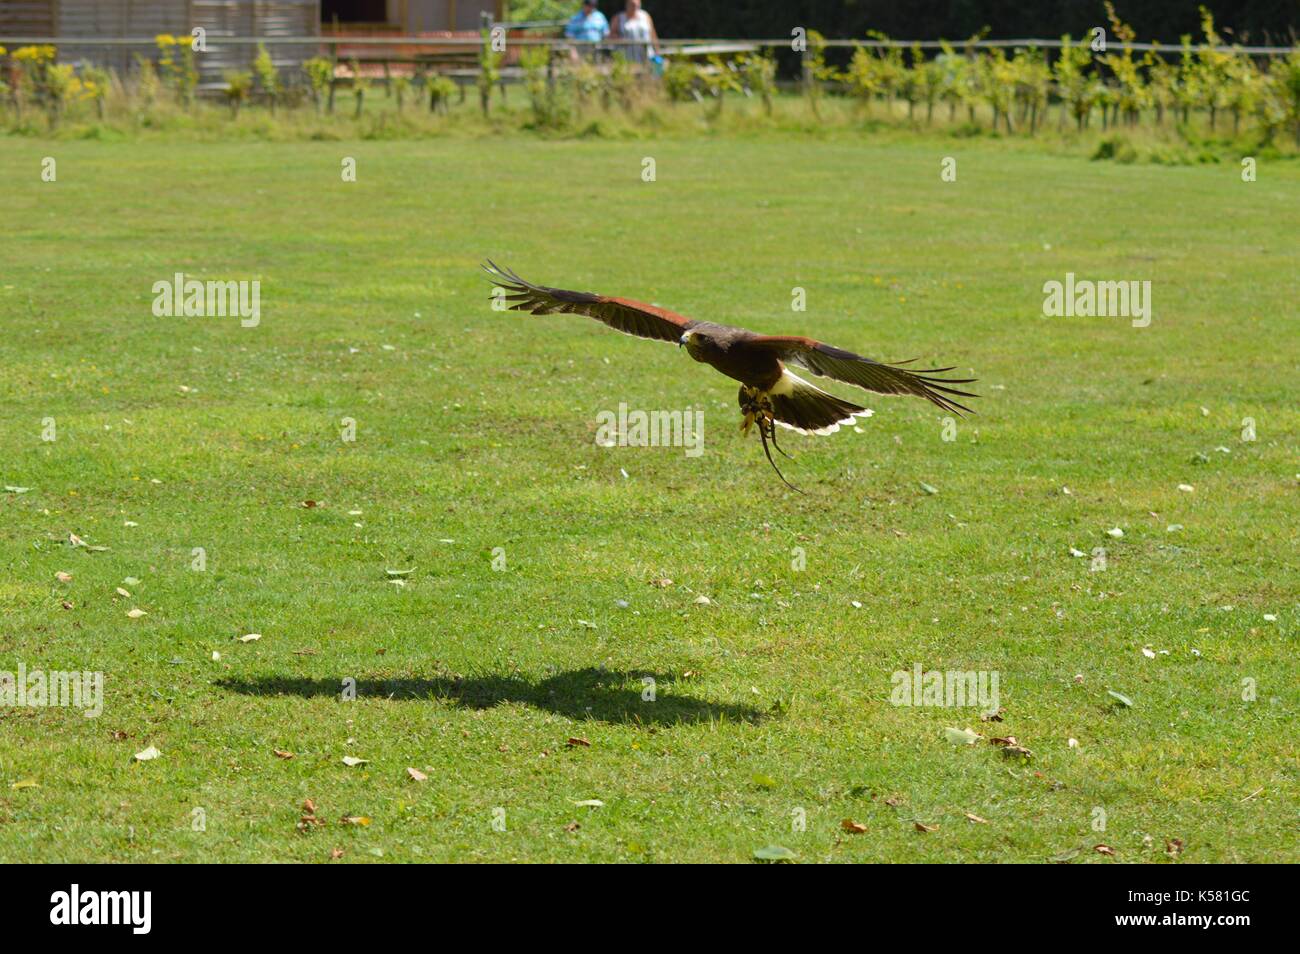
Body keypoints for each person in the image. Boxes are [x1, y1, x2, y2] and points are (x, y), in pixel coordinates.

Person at [611, 0, 659, 65]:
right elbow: (611, 36)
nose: (635, 7)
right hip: (627, 56)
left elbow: (653, 34)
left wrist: (657, 51)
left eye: (637, 4)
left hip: (647, 56)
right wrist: (621, 40)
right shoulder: (618, 18)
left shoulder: (645, 16)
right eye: (632, 4)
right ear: (626, 4)